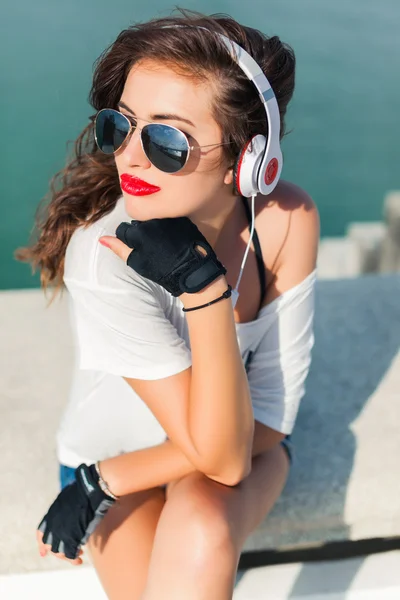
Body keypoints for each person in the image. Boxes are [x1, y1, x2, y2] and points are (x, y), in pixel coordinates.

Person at [16, 9, 319, 600]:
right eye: (120, 125)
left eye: (166, 139)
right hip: (115, 455)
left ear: (250, 161)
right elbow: (218, 455)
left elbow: (259, 433)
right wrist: (205, 290)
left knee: (204, 519)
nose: (128, 157)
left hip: (124, 471)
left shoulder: (284, 222)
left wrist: (105, 480)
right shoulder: (104, 257)